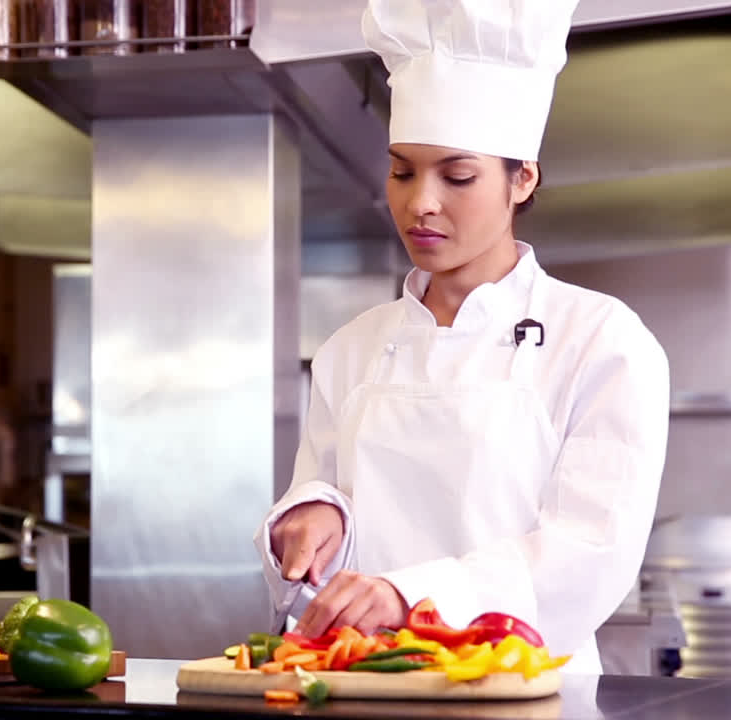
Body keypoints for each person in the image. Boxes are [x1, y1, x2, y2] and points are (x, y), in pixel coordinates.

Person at [253, 0, 671, 675]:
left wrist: (408, 595)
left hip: (525, 696)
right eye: (401, 170)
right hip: (367, 689)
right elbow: (322, 510)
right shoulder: (350, 349)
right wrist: (310, 518)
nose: (421, 202)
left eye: (458, 176)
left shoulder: (603, 341)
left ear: (522, 177)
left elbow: (589, 554)